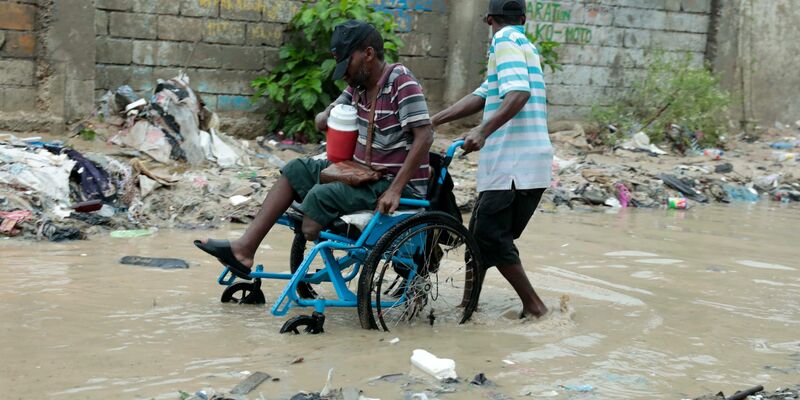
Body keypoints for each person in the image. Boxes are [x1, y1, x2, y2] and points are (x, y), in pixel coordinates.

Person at [195, 20, 434, 279]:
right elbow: (322, 119)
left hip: (392, 181)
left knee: (320, 198)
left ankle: (315, 224)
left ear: (368, 53)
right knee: (295, 170)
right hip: (363, 173)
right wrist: (328, 115)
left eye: (347, 64)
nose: (344, 74)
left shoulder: (401, 82)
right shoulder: (357, 87)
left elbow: (425, 136)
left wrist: (396, 190)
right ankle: (244, 250)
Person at [430, 0, 553, 318]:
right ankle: (467, 307)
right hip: (527, 164)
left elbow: (519, 93)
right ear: (523, 18)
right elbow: (484, 93)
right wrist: (433, 121)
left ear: (488, 20)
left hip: (512, 165)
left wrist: (483, 131)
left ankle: (534, 306)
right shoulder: (523, 45)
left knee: (489, 236)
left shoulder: (504, 40)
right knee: (480, 239)